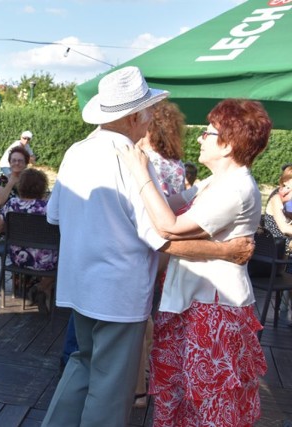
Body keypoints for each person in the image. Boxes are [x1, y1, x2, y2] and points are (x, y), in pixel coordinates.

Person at [42, 66, 256, 427]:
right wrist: (224, 250)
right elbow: (162, 235)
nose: (152, 118)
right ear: (132, 116)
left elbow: (55, 214)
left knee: (82, 363)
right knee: (111, 387)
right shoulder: (130, 157)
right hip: (119, 291)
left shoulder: (77, 151)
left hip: (79, 282)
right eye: (148, 110)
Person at [120, 99, 271, 426]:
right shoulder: (214, 182)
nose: (200, 137)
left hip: (213, 305)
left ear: (228, 144)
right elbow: (168, 207)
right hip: (195, 301)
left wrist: (139, 169)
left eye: (208, 132)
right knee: (182, 394)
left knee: (208, 402)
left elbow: (168, 228)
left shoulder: (236, 187)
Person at [133, 99, 187, 408]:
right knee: (152, 312)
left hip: (144, 242)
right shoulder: (177, 163)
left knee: (139, 319)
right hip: (166, 246)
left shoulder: (145, 160)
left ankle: (138, 387)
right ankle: (152, 376)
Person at [0, 168, 57, 313]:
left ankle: (43, 292)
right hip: (45, 262)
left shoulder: (12, 204)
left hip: (18, 259)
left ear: (21, 185)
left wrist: (11, 230)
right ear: (42, 187)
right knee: (66, 259)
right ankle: (42, 288)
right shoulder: (48, 207)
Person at [262, 164, 292, 325]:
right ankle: (286, 307)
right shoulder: (276, 198)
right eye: (286, 184)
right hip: (272, 259)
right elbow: (285, 228)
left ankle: (286, 307)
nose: (285, 189)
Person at [0, 145, 30, 213]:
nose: (17, 163)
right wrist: (11, 182)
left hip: (26, 216)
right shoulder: (2, 180)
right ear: (10, 163)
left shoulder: (30, 181)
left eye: (20, 161)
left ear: (26, 164)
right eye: (13, 160)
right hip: (5, 218)